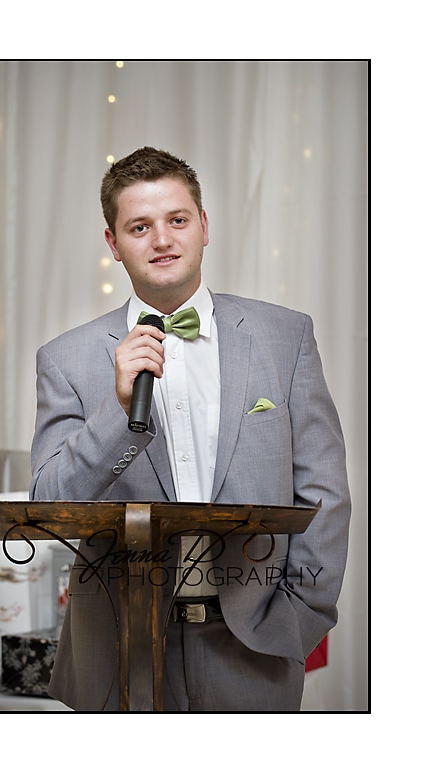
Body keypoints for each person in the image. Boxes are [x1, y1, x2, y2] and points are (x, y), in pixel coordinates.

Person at [30, 146, 351, 712]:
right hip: (116, 651)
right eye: (139, 226)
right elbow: (48, 507)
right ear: (113, 243)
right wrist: (117, 411)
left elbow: (323, 492)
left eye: (177, 220)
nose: (162, 239)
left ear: (203, 226)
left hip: (253, 644)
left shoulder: (285, 336)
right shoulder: (65, 359)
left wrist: (302, 614)